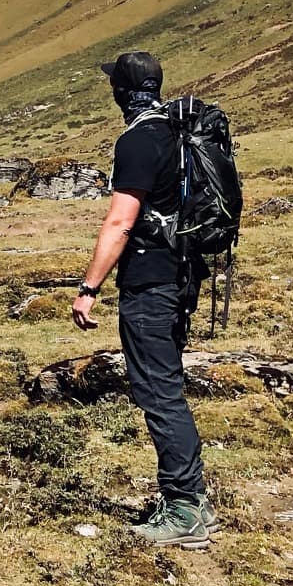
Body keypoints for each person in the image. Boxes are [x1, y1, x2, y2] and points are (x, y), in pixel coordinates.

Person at [72, 51, 213, 550]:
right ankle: (193, 499)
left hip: (150, 283)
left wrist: (89, 289)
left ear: (120, 93)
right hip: (183, 276)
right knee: (167, 386)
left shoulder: (137, 140)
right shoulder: (182, 133)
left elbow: (120, 222)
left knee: (158, 392)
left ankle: (183, 509)